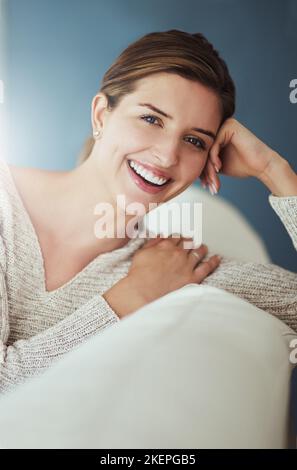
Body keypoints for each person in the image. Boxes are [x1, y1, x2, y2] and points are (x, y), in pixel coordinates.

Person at [0, 29, 296, 394]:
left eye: (194, 141)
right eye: (152, 119)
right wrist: (131, 296)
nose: (168, 156)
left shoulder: (172, 266)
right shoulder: (4, 205)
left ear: (208, 159)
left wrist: (275, 171)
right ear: (100, 115)